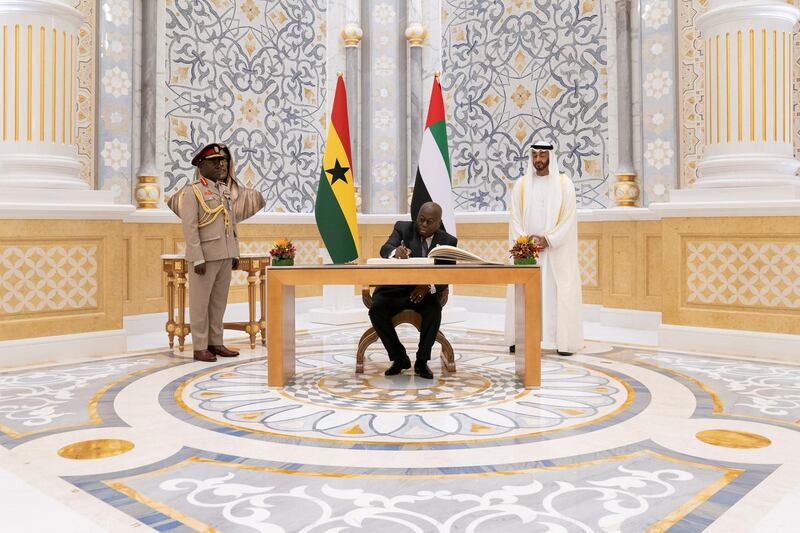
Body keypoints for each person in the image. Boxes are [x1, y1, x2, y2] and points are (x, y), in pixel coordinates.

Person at [168, 142, 265, 362]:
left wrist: (235, 253)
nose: (221, 165)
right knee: (200, 304)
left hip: (224, 255)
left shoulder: (223, 191)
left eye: (223, 161)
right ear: (201, 165)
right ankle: (200, 346)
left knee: (219, 303)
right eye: (214, 162)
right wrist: (197, 256)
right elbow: (190, 227)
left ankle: (216, 342)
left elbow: (231, 225)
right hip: (204, 256)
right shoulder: (192, 192)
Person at [505, 141, 583, 355]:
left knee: (557, 291)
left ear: (550, 156)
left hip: (554, 251)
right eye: (535, 155)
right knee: (524, 292)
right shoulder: (521, 185)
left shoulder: (564, 184)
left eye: (542, 155)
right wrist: (524, 241)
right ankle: (519, 338)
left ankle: (563, 342)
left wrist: (549, 239)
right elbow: (514, 218)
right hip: (528, 251)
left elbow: (569, 217)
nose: (538, 159)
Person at [370, 202, 457, 379]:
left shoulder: (448, 241)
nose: (423, 225)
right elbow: (384, 249)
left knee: (434, 311)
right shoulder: (403, 228)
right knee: (376, 310)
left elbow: (447, 275)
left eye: (429, 222)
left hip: (425, 293)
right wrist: (396, 252)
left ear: (438, 223)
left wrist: (428, 286)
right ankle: (399, 358)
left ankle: (422, 362)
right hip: (396, 290)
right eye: (421, 220)